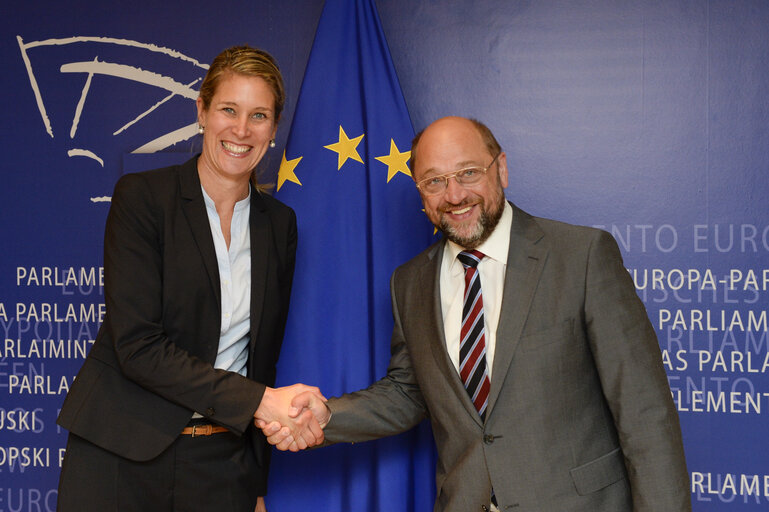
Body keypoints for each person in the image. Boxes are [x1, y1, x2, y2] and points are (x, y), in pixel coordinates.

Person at [261, 116, 691, 511]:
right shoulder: (409, 283)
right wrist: (328, 417)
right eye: (435, 181)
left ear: (500, 169)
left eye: (469, 173)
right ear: (419, 191)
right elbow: (409, 392)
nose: (454, 195)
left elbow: (644, 414)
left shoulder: (581, 257)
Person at [57, 45, 324, 512]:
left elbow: (261, 357)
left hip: (222, 463)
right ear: (201, 111)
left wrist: (256, 482)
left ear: (274, 129)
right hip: (121, 454)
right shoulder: (143, 198)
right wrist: (261, 402)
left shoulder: (279, 225)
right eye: (228, 109)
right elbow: (139, 348)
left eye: (258, 115)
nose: (241, 130)